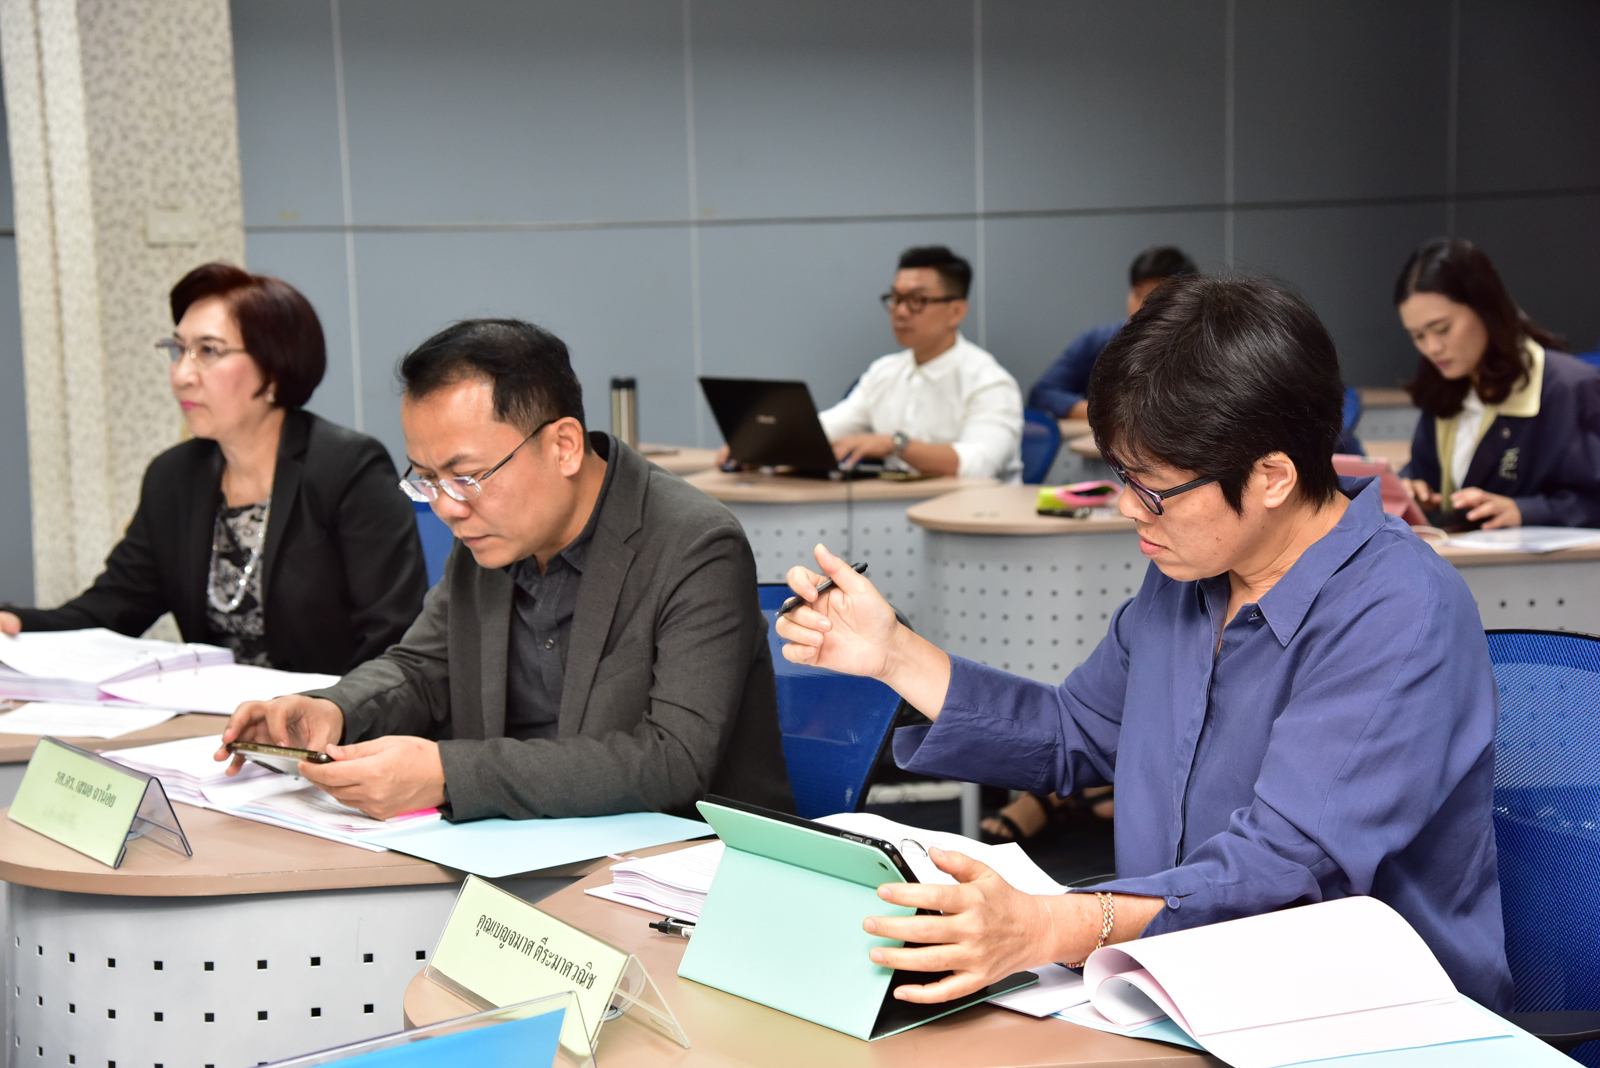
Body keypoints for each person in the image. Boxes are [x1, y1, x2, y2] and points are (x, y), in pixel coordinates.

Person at [777, 276, 1511, 1012]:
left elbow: (1281, 869)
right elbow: (1072, 731)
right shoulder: (1193, 572)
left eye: (1153, 488)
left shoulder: (1399, 611)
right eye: (1122, 476)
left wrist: (1053, 925)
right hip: (1173, 983)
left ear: (1272, 477)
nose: (1129, 507)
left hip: (1364, 1015)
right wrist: (894, 654)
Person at [218, 319, 793, 823]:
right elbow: (423, 668)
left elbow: (673, 761)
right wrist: (335, 709)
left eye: (466, 476)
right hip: (521, 850)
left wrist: (448, 774)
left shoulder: (694, 544)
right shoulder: (491, 534)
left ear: (564, 446)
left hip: (679, 864)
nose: (448, 507)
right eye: (427, 479)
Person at [0, 263, 426, 674]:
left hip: (331, 714)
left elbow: (392, 635)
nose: (182, 374)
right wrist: (17, 623)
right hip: (213, 716)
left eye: (207, 351)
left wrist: (330, 709)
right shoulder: (173, 477)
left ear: (273, 369)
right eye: (178, 350)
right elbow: (111, 610)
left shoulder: (347, 468)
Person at [1396, 238, 1600, 530]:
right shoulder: (1443, 388)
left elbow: (1592, 500)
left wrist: (1525, 511)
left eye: (1442, 329)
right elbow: (1424, 471)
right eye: (1417, 336)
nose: (1432, 348)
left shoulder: (1570, 389)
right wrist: (1413, 487)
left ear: (1485, 309)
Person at [817, 245, 1022, 481]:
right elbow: (827, 429)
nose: (901, 312)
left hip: (975, 503)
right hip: (898, 501)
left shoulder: (990, 382)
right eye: (896, 299)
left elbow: (978, 465)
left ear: (956, 312)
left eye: (917, 300)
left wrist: (896, 444)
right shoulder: (884, 372)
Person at [1027, 246, 1198, 419]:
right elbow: (1043, 392)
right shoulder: (1100, 341)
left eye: (1156, 298)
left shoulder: (1199, 348)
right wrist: (1105, 415)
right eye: (1138, 294)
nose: (1142, 307)